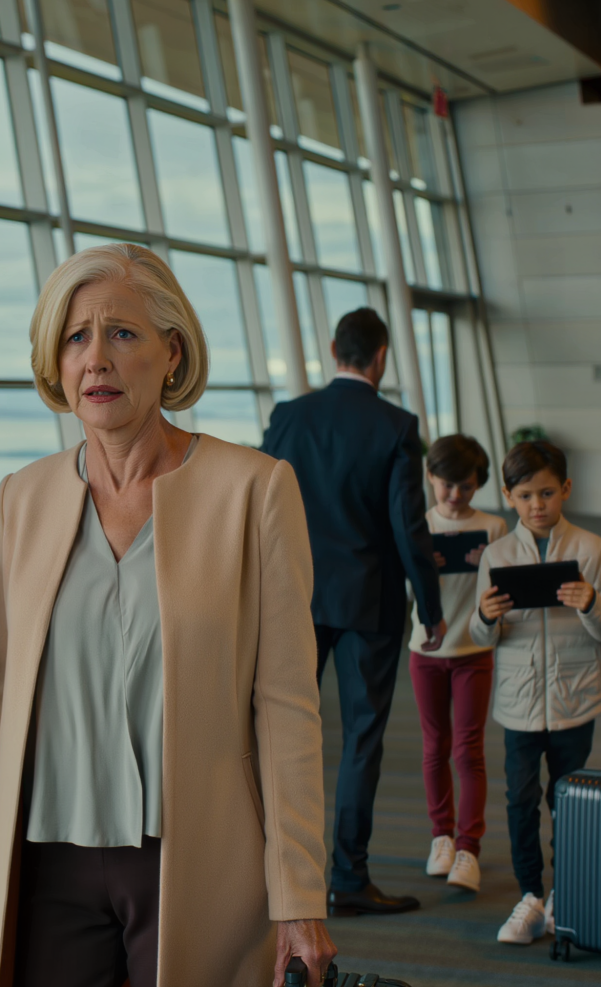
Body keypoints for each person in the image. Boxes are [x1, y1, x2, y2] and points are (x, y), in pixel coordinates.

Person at [0, 244, 336, 987]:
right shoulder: (24, 497)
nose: (96, 358)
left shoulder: (253, 491)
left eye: (121, 333)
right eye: (75, 337)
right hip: (45, 864)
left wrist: (298, 896)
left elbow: (287, 706)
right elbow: (3, 704)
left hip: (198, 863)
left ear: (172, 351)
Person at [261, 307, 446, 917]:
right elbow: (409, 527)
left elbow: (259, 503)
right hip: (371, 600)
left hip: (294, 596)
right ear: (381, 355)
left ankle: (265, 872)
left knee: (279, 734)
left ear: (335, 349)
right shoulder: (396, 426)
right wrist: (432, 609)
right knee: (361, 740)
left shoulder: (289, 417)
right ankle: (348, 878)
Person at [471, 440, 601, 945]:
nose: (537, 505)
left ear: (565, 489)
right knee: (520, 800)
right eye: (525, 496)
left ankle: (563, 894)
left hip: (576, 697)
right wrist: (485, 617)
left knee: (568, 802)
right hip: (520, 701)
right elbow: (482, 637)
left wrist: (591, 604)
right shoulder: (498, 555)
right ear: (509, 496)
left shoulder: (591, 549)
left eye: (547, 493)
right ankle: (529, 895)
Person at [408, 435, 507, 893]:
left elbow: (499, 592)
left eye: (466, 486)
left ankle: (468, 847)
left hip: (473, 652)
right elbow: (405, 594)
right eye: (447, 484)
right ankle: (441, 838)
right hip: (425, 652)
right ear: (430, 477)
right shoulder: (417, 526)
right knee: (434, 747)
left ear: (478, 485)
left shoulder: (493, 527)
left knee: (469, 751)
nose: (454, 495)